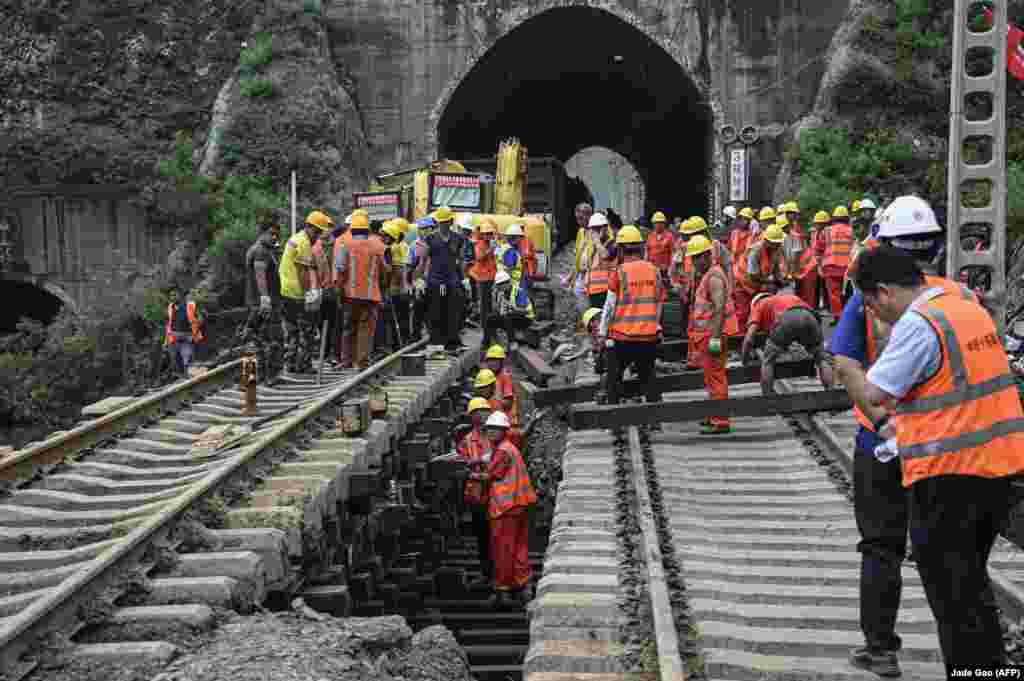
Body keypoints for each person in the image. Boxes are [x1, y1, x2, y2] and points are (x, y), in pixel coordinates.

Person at [835, 246, 1024, 674]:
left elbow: (877, 392)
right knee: (972, 591)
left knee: (954, 601)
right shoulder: (966, 308)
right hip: (996, 469)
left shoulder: (921, 324)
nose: (874, 315)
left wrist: (851, 371)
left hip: (949, 477)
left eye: (869, 305)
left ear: (883, 293)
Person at [829, 195, 982, 677]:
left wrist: (878, 419)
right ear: (936, 246)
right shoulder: (962, 297)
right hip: (948, 443)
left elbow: (845, 362)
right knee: (955, 561)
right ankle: (976, 662)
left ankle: (882, 648)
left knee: (881, 545)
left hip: (884, 441)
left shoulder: (867, 296)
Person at [597, 225, 666, 411]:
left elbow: (609, 306)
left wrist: (602, 334)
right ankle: (654, 418)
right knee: (649, 376)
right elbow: (659, 302)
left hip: (623, 337)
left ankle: (614, 418)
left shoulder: (619, 272)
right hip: (649, 337)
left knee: (614, 378)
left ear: (620, 249)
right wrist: (656, 326)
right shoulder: (654, 270)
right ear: (640, 248)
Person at [473, 411, 537, 608]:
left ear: (502, 431)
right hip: (520, 504)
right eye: (489, 429)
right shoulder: (507, 447)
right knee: (518, 546)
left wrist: (470, 474)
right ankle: (523, 584)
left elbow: (493, 474)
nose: (490, 433)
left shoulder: (502, 451)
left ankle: (502, 590)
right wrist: (479, 462)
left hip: (506, 506)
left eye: (494, 430)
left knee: (502, 548)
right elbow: (492, 462)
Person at [687, 235, 740, 434]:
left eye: (696, 258)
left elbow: (718, 308)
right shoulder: (709, 274)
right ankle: (714, 414)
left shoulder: (715, 276)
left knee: (716, 377)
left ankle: (720, 420)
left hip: (712, 335)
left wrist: (716, 338)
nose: (693, 262)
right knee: (711, 377)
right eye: (692, 258)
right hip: (707, 335)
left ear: (706, 255)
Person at [741, 290, 833, 397]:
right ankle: (830, 394)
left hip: (786, 318)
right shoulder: (788, 297)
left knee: (767, 361)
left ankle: (767, 396)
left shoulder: (759, 305)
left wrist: (744, 360)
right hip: (810, 318)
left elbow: (748, 338)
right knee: (822, 359)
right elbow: (814, 318)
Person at [336, 212, 390, 369]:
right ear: (367, 231)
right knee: (365, 330)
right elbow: (385, 270)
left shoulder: (345, 246)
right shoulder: (377, 247)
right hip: (370, 297)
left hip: (349, 295)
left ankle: (346, 360)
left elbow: (340, 269)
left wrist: (339, 290)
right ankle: (362, 362)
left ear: (352, 230)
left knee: (348, 328)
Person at [279, 210, 330, 373]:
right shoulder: (304, 243)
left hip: (286, 291)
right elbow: (302, 271)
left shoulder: (295, 239)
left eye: (320, 232)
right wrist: (310, 293)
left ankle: (291, 363)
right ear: (309, 227)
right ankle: (304, 364)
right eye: (317, 232)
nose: (318, 236)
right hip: (296, 293)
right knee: (307, 330)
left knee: (291, 330)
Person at [412, 206, 466, 353]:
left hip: (452, 280)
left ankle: (452, 343)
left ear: (451, 221)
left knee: (453, 311)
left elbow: (461, 260)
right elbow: (423, 261)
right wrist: (418, 280)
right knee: (435, 312)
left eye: (445, 222)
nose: (443, 225)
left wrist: (464, 279)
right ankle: (436, 343)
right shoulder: (430, 239)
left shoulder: (458, 239)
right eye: (440, 222)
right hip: (435, 281)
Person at [457, 397, 494, 588]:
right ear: (473, 416)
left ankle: (501, 576)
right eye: (480, 412)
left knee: (499, 536)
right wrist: (476, 465)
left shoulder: (495, 436)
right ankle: (486, 573)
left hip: (496, 495)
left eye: (486, 411)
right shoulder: (467, 441)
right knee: (482, 536)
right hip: (477, 496)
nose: (484, 415)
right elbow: (461, 468)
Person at [240, 214, 281, 351]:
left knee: (259, 338)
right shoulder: (260, 251)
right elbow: (260, 274)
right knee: (259, 339)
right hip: (260, 304)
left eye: (277, 235)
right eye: (272, 234)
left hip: (259, 303)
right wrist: (264, 297)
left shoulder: (264, 250)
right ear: (262, 233)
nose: (275, 237)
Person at [738, 219, 787, 324]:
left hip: (756, 285)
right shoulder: (755, 251)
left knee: (758, 311)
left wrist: (780, 279)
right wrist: (771, 282)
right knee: (744, 313)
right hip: (742, 284)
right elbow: (753, 276)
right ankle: (742, 338)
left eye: (779, 242)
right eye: (776, 243)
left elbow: (776, 268)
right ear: (768, 241)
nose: (779, 245)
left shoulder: (776, 249)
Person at [818, 205, 855, 321]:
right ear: (846, 218)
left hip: (830, 267)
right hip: (848, 267)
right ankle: (850, 317)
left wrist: (819, 266)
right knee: (848, 294)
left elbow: (819, 249)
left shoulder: (826, 231)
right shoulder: (851, 230)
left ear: (834, 218)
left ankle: (839, 317)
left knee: (834, 294)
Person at [779, 202, 819, 310]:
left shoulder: (794, 232)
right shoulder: (789, 231)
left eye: (793, 213)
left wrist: (791, 273)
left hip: (808, 267)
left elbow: (796, 255)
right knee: (801, 297)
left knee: (807, 297)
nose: (792, 216)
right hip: (802, 268)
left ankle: (809, 317)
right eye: (790, 213)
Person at [487, 270, 534, 351]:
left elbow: (525, 311)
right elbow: (497, 311)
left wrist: (513, 308)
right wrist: (495, 298)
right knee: (490, 318)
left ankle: (512, 342)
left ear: (507, 283)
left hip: (526, 319)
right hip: (511, 318)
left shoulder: (519, 291)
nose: (499, 287)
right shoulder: (502, 293)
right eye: (498, 285)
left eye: (500, 285)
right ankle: (495, 343)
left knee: (507, 317)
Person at [380, 221, 407, 351]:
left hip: (392, 289)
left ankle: (394, 345)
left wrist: (393, 287)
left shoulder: (392, 248)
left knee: (391, 318)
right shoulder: (394, 247)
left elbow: (396, 270)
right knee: (392, 318)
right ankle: (394, 344)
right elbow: (396, 270)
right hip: (393, 289)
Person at [165, 288, 204, 377]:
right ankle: (181, 378)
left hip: (187, 335)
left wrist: (198, 325)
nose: (173, 297)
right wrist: (166, 340)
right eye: (171, 295)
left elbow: (200, 317)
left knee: (187, 357)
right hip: (174, 336)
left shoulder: (190, 305)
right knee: (175, 359)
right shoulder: (170, 306)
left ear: (180, 295)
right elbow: (169, 323)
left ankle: (190, 378)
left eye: (175, 295)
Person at [471, 218, 499, 347]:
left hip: (492, 277)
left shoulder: (492, 243)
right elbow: (479, 257)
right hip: (483, 279)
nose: (488, 236)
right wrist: (490, 250)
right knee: (484, 306)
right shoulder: (480, 244)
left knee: (491, 305)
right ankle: (485, 331)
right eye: (486, 233)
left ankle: (491, 329)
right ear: (482, 234)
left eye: (490, 233)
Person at [408, 216, 435, 342]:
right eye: (422, 229)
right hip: (419, 282)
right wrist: (413, 282)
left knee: (433, 313)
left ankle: (434, 338)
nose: (424, 232)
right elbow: (410, 265)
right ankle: (416, 338)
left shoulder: (437, 244)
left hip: (434, 282)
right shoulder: (414, 245)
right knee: (418, 311)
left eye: (427, 229)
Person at [728, 207, 755, 328]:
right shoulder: (734, 234)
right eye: (743, 219)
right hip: (732, 272)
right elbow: (729, 250)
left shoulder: (752, 236)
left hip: (744, 274)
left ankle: (742, 329)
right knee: (733, 302)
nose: (745, 221)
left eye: (747, 219)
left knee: (744, 305)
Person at [584, 214, 617, 309]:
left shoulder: (612, 244)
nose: (594, 233)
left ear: (605, 228)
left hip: (606, 290)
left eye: (597, 229)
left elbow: (606, 255)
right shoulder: (593, 245)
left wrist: (597, 242)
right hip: (593, 290)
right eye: (593, 230)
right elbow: (588, 265)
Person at [571, 202, 596, 313]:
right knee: (579, 298)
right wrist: (571, 276)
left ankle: (590, 324)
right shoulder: (581, 232)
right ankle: (586, 322)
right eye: (577, 219)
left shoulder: (597, 231)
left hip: (592, 275)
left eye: (581, 218)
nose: (578, 222)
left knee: (590, 303)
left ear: (589, 216)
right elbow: (578, 255)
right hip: (582, 274)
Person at [645, 210, 674, 277]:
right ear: (653, 224)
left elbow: (673, 252)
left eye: (660, 223)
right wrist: (646, 265)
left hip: (664, 269)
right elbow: (647, 251)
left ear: (664, 224)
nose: (658, 225)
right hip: (652, 268)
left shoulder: (669, 236)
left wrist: (671, 267)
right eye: (656, 223)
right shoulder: (650, 236)